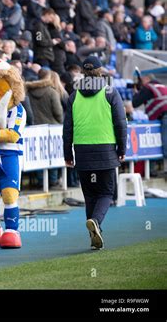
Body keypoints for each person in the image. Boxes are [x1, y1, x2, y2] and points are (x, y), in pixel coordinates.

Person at [63, 56, 127, 250]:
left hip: (82, 151)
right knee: (107, 193)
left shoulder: (74, 95)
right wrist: (122, 149)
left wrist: (68, 154)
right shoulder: (110, 92)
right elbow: (120, 123)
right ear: (101, 72)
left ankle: (94, 234)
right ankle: (96, 223)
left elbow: (67, 128)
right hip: (106, 150)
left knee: (90, 195)